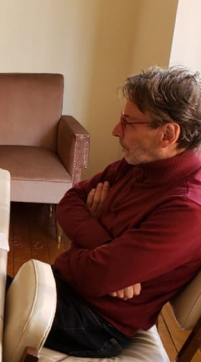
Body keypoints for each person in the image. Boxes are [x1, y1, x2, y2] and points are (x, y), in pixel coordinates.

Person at [46, 66, 201, 357]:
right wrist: (105, 244)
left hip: (98, 324)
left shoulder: (188, 208)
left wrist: (89, 241)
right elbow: (69, 201)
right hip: (67, 288)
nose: (116, 130)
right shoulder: (138, 163)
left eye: (127, 122)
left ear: (167, 133)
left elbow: (96, 277)